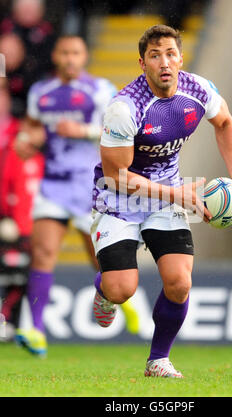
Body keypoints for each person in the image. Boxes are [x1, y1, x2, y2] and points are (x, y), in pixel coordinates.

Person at [91, 24, 232, 378]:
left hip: (168, 192)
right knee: (121, 289)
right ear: (142, 63)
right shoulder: (124, 106)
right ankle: (103, 291)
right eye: (154, 55)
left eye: (170, 54)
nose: (164, 62)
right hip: (119, 197)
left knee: (179, 282)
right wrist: (180, 194)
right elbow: (115, 175)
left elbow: (225, 123)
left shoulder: (198, 89)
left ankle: (158, 359)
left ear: (180, 58)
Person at [14, 35, 139, 356]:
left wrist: (82, 131)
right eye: (64, 52)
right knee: (42, 254)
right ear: (55, 56)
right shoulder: (41, 92)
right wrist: (25, 142)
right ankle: (36, 330)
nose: (70, 58)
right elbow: (32, 128)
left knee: (98, 258)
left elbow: (121, 132)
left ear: (83, 57)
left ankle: (121, 297)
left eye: (76, 53)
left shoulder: (100, 90)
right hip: (53, 183)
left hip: (91, 186)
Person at [0, 80, 44, 339]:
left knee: (25, 276)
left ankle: (14, 323)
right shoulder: (11, 153)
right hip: (13, 224)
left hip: (32, 227)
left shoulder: (41, 158)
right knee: (10, 273)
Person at [0, 0, 56, 117]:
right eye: (24, 8)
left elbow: (50, 63)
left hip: (36, 85)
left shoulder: (48, 32)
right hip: (8, 85)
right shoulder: (5, 26)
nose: (28, 12)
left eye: (31, 9)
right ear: (15, 10)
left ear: (40, 11)